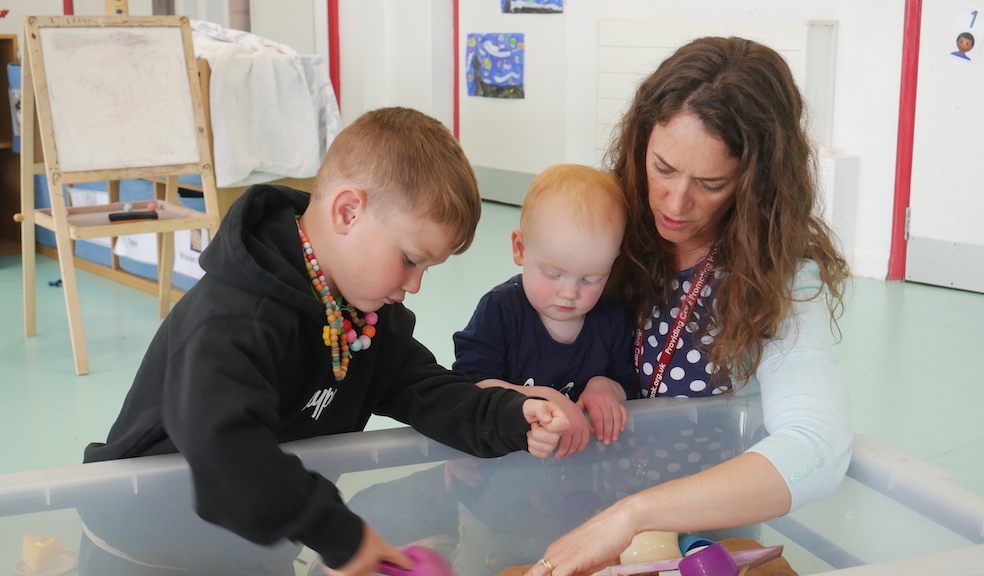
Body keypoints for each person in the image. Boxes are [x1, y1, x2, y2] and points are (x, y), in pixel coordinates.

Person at [81, 107, 569, 576]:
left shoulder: (369, 316)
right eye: (409, 259)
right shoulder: (235, 312)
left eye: (427, 268)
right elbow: (223, 443)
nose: (415, 285)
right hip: (145, 550)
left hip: (256, 543)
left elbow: (425, 389)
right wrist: (338, 533)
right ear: (349, 211)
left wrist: (509, 415)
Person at [524, 36, 853, 576]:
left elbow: (817, 448)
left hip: (702, 544)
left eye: (711, 183)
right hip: (568, 515)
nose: (676, 204)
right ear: (640, 146)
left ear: (756, 182)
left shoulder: (780, 276)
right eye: (663, 168)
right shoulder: (606, 221)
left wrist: (634, 515)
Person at [453, 164, 637, 457]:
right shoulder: (499, 310)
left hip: (584, 468)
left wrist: (607, 387)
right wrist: (544, 398)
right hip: (512, 461)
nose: (569, 293)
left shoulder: (611, 318)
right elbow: (471, 386)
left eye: (591, 279)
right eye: (552, 274)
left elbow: (630, 381)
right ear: (520, 248)